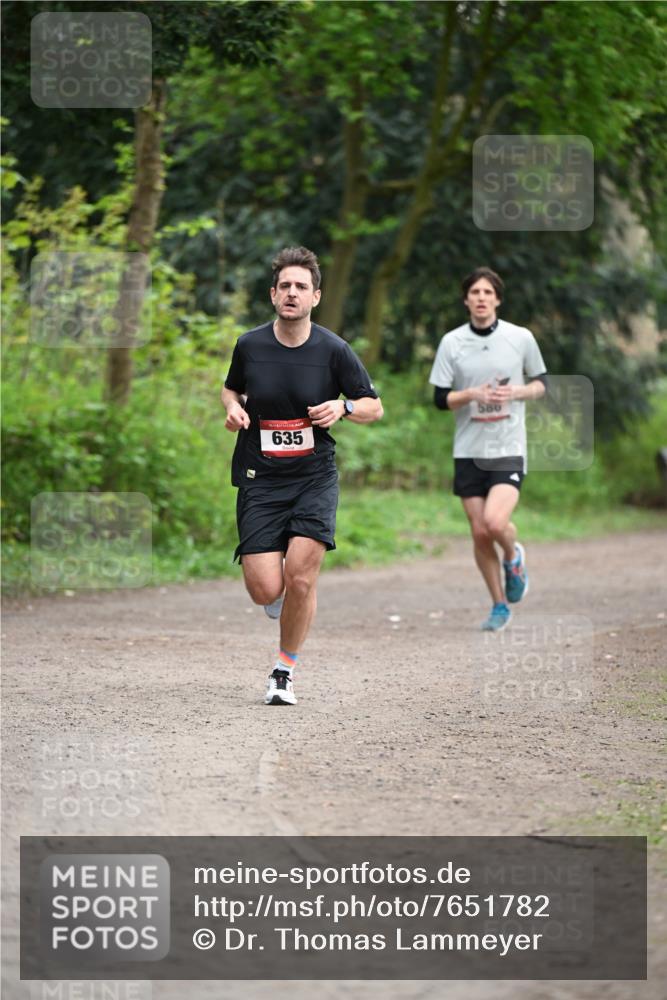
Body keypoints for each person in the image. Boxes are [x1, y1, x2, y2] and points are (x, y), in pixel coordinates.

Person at [221, 246, 383, 704]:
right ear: (273, 295)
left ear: (315, 297)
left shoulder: (334, 350)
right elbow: (231, 389)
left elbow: (374, 405)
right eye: (285, 286)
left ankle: (283, 672)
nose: (292, 293)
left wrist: (345, 406)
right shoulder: (250, 345)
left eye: (301, 287)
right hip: (260, 475)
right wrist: (233, 408)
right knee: (265, 588)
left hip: (313, 477)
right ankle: (280, 598)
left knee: (303, 576)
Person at [429, 267, 547, 631]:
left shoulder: (520, 337)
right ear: (466, 300)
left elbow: (541, 382)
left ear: (497, 298)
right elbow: (439, 399)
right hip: (468, 450)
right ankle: (499, 605)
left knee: (495, 522)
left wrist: (517, 392)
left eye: (487, 292)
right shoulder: (452, 342)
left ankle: (513, 556)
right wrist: (471, 395)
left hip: (508, 445)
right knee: (480, 533)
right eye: (475, 292)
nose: (481, 298)